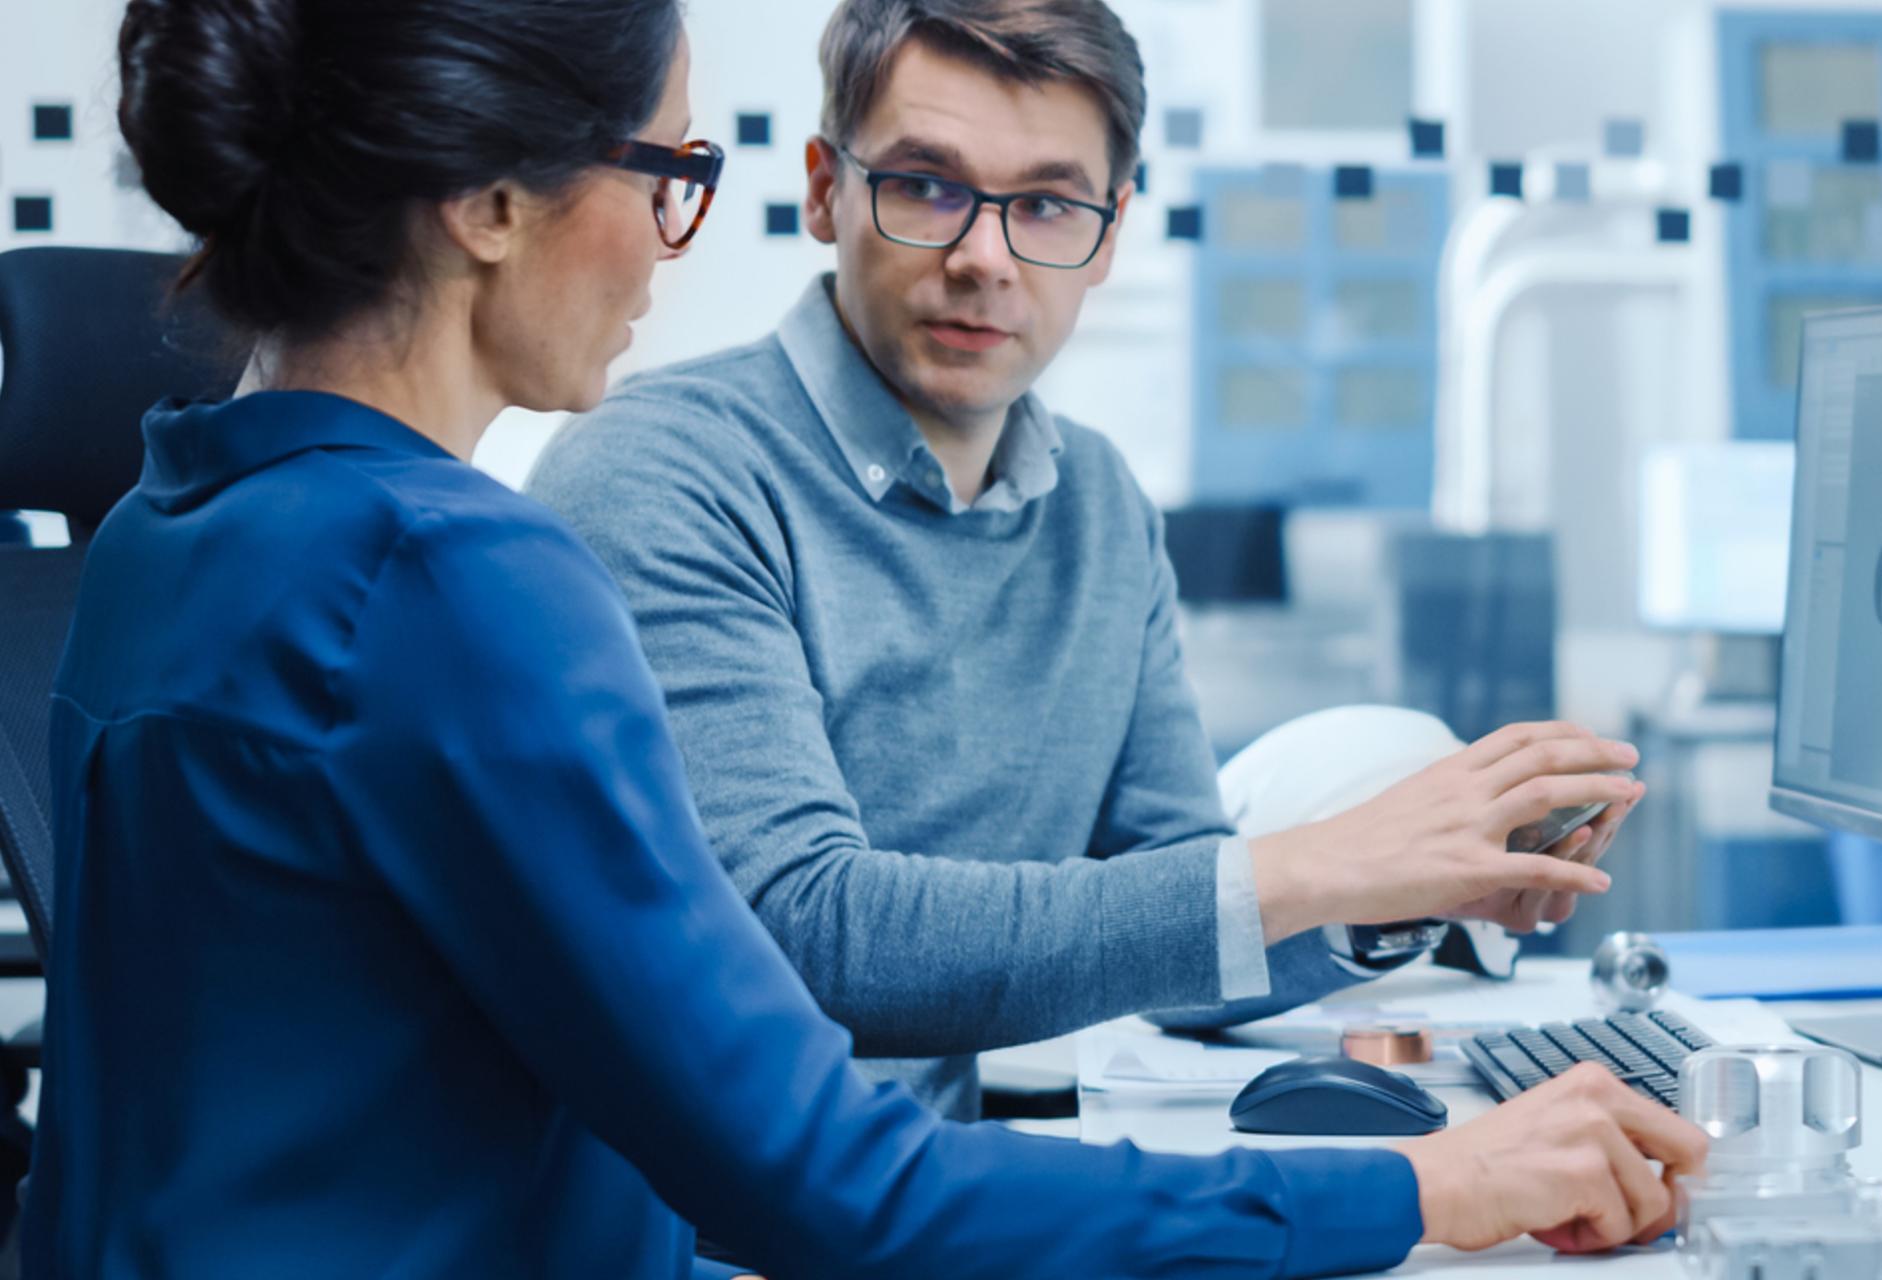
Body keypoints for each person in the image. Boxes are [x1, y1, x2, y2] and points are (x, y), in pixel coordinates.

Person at [27, 0, 1704, 1275]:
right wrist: (1417, 1187)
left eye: (1052, 204)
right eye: (670, 173)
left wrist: (1403, 887)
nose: (667, 252)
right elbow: (821, 1163)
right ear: (488, 202)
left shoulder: (173, 521)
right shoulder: (454, 574)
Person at [529, 0, 1646, 1122]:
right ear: (826, 189)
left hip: (923, 1199)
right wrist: (1320, 860)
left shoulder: (1099, 507)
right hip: (698, 1229)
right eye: (926, 185)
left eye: (1048, 206)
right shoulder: (662, 472)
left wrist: (1410, 895)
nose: (983, 258)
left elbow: (1189, 935)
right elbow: (802, 934)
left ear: (1108, 233)